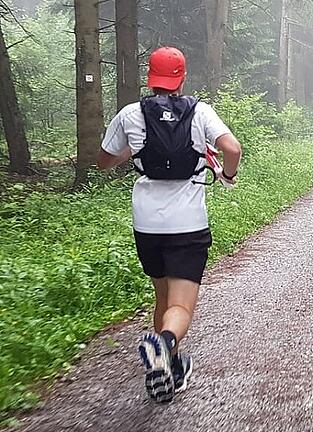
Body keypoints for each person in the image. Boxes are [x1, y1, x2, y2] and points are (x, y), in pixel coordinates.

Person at [97, 46, 242, 403]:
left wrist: (131, 151)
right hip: (187, 225)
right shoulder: (200, 111)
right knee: (181, 306)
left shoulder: (131, 114)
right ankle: (163, 345)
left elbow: (103, 161)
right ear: (181, 77)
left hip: (147, 223)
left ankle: (171, 368)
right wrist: (226, 173)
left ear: (151, 77)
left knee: (161, 295)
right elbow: (233, 148)